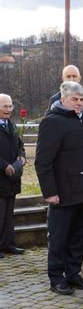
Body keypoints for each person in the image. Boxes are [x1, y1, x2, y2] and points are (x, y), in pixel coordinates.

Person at [35, 81, 83, 295]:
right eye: (74, 99)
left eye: (81, 99)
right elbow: (43, 162)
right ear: (62, 99)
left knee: (79, 235)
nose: (78, 103)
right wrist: (49, 192)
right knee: (60, 237)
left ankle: (73, 273)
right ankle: (56, 278)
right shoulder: (52, 122)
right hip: (64, 191)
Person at [0, 94, 26, 258]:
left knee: (9, 213)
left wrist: (22, 156)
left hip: (12, 177)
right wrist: (4, 166)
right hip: (1, 176)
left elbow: (20, 145)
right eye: (5, 107)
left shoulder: (12, 125)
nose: (8, 110)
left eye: (10, 106)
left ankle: (8, 243)